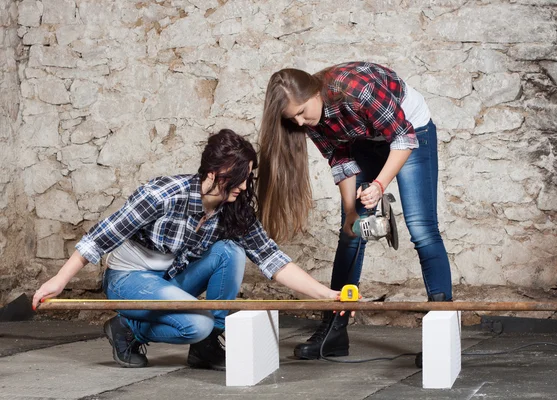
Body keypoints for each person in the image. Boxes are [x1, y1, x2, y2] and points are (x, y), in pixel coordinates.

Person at [32, 129, 339, 370]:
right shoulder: (162, 195)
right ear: (213, 172)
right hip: (129, 281)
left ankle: (206, 347)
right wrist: (59, 280)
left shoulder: (232, 208)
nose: (244, 186)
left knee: (230, 251)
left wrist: (327, 296)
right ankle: (128, 328)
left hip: (167, 280)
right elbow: (100, 238)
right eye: (238, 178)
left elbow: (272, 258)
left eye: (247, 178)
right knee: (197, 323)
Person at [257, 61, 452, 360]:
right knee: (350, 234)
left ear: (314, 92)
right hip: (364, 138)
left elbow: (402, 138)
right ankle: (335, 327)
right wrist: (351, 212)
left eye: (299, 112)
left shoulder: (356, 89)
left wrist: (379, 185)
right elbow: (341, 159)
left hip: (410, 130)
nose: (298, 123)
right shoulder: (309, 119)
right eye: (291, 118)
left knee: (422, 227)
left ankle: (442, 335)